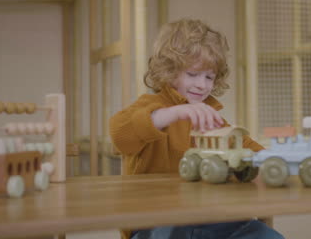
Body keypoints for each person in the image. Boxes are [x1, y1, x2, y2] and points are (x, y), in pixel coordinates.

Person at [110, 18, 284, 239]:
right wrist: (171, 113)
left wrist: (269, 159)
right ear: (168, 70)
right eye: (192, 74)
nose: (202, 85)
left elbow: (242, 145)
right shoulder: (150, 107)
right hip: (154, 221)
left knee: (266, 236)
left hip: (210, 218)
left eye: (209, 77)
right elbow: (119, 134)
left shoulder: (208, 114)